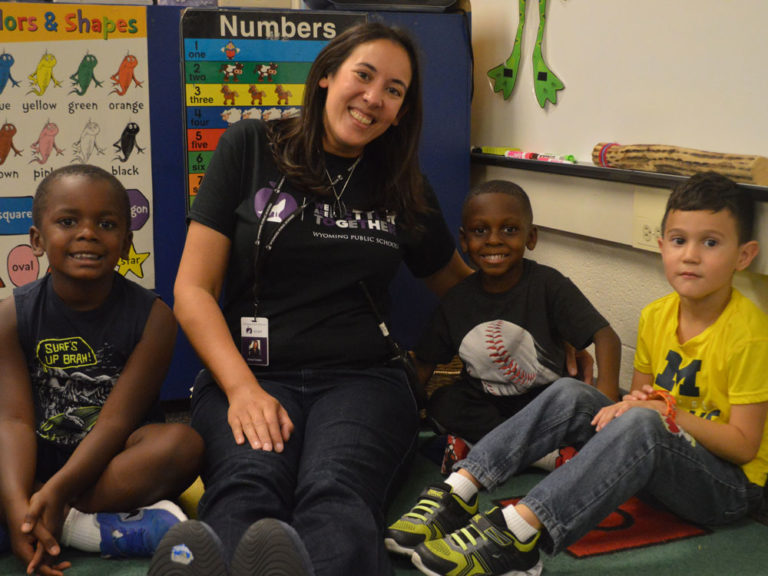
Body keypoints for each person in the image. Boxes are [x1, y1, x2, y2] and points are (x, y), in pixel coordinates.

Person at [148, 22, 474, 576]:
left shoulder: (403, 183)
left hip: (363, 379)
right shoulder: (250, 145)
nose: (374, 98)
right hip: (251, 373)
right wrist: (242, 390)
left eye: (394, 90)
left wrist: (545, 321)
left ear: (402, 110)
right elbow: (192, 290)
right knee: (249, 483)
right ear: (326, 76)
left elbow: (461, 288)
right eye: (363, 76)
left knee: (336, 491)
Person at [386, 171, 768, 576]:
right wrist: (642, 408)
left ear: (744, 256)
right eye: (679, 240)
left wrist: (660, 413)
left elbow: (743, 447)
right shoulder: (655, 316)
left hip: (726, 489)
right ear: (661, 247)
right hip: (656, 473)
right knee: (572, 392)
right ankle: (458, 491)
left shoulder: (749, 334)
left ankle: (518, 536)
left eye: (710, 242)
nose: (691, 255)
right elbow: (635, 404)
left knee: (642, 421)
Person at [0, 164, 204, 576]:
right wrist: (18, 497)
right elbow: (15, 420)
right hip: (36, 459)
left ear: (127, 243)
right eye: (68, 221)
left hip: (114, 459)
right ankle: (63, 520)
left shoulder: (154, 318)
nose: (88, 233)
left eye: (107, 223)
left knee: (184, 446)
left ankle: (55, 516)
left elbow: (114, 423)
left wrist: (58, 491)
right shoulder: (11, 316)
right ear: (37, 240)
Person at [408, 179, 620, 477]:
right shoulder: (456, 300)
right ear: (464, 240)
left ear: (530, 237)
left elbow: (607, 337)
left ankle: (480, 448)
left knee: (570, 396)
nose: (494, 240)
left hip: (543, 403)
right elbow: (425, 361)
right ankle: (542, 456)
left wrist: (606, 403)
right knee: (444, 403)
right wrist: (405, 411)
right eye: (480, 231)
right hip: (485, 404)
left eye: (509, 229)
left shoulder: (549, 284)